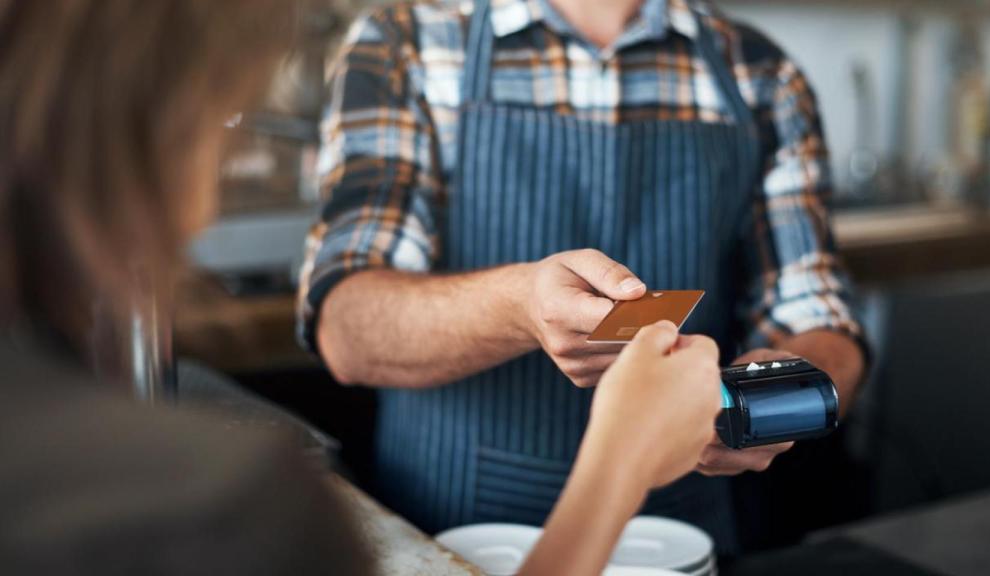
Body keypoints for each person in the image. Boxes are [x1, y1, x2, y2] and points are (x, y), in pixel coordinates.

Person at [0, 1, 725, 573]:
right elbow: (344, 323)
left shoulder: (748, 65)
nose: (218, 187)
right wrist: (620, 460)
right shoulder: (230, 506)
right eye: (226, 132)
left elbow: (815, 316)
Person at [299, 0, 868, 553]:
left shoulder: (761, 72)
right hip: (448, 535)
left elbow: (821, 320)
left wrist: (759, 407)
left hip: (677, 540)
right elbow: (346, 327)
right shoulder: (406, 45)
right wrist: (519, 306)